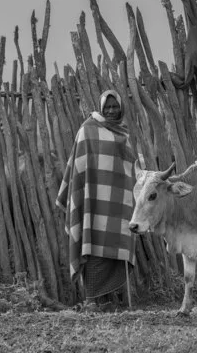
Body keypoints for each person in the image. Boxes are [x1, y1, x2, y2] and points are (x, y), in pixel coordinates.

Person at [57, 90, 141, 312]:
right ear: (101, 107)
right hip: (92, 202)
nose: (111, 111)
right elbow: (79, 166)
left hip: (118, 203)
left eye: (115, 107)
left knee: (116, 247)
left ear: (121, 108)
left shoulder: (124, 133)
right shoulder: (87, 130)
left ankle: (109, 299)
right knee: (92, 245)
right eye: (108, 107)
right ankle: (92, 300)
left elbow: (131, 167)